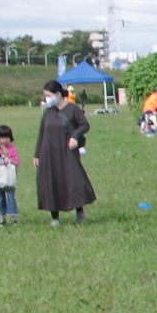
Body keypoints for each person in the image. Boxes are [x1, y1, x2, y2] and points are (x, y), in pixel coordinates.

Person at [33, 79, 96, 225]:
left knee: (73, 180)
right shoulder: (48, 113)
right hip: (49, 153)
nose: (46, 99)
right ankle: (54, 217)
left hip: (67, 151)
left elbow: (85, 125)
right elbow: (42, 134)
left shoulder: (73, 109)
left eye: (48, 95)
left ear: (57, 94)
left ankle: (79, 211)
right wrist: (37, 154)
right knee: (51, 182)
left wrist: (75, 136)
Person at [0, 124, 22, 225]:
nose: (4, 140)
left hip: (9, 178)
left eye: (6, 137)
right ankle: (2, 217)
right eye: (1, 138)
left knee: (11, 198)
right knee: (0, 198)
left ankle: (14, 217)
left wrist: (10, 160)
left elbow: (17, 162)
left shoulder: (12, 149)